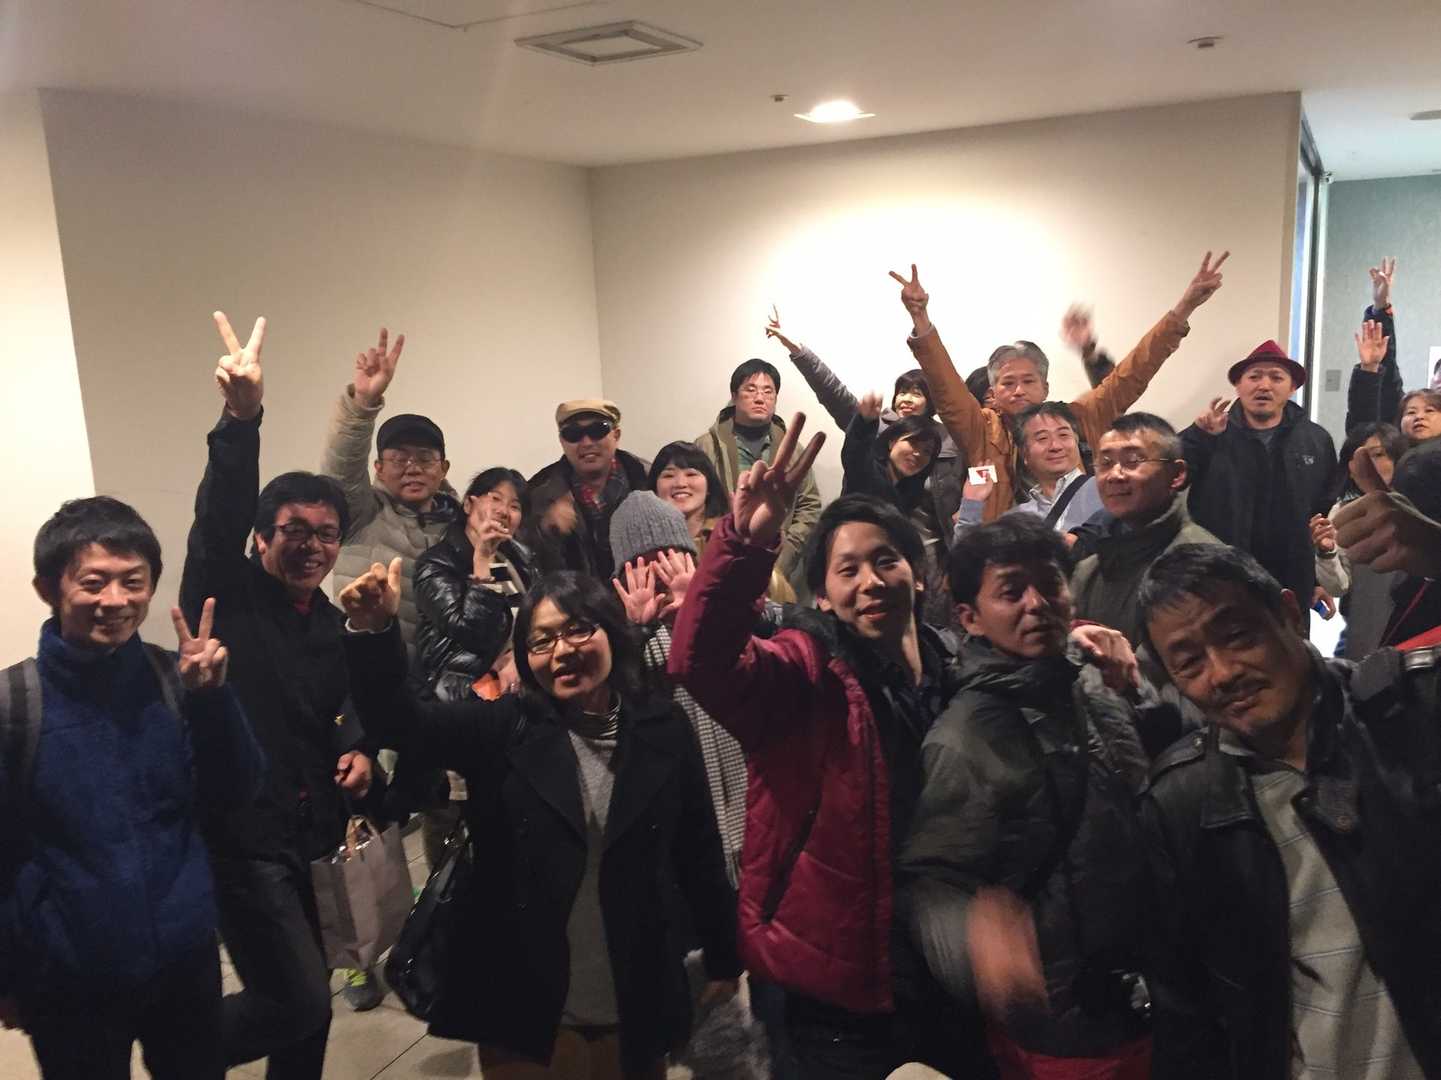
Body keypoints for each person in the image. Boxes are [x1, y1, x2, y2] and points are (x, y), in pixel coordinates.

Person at [339, 560, 742, 1080]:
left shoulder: (662, 726)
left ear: (611, 633)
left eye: (578, 629)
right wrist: (374, 634)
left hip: (631, 987)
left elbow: (698, 848)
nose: (562, 651)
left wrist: (724, 954)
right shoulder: (505, 728)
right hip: (524, 997)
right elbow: (403, 724)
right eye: (541, 641)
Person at [669, 405, 980, 1077]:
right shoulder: (804, 672)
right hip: (829, 984)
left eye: (885, 560)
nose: (870, 581)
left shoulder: (958, 671)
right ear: (822, 595)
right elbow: (700, 662)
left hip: (942, 967)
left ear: (917, 572)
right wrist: (744, 544)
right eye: (847, 569)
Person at [1137, 543, 1441, 1078]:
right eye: (1188, 662)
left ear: (1288, 613)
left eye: (1237, 636)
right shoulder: (1181, 802)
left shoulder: (1412, 711)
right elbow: (1188, 1014)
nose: (1222, 673)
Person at [0, 498, 262, 1080]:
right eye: (94, 582)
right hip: (68, 978)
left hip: (185, 961)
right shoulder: (14, 704)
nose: (116, 600)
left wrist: (213, 700)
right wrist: (8, 978)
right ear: (48, 589)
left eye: (133, 582)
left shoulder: (176, 679)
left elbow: (237, 792)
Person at [181, 311, 374, 1080]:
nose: (312, 545)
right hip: (244, 842)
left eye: (326, 533)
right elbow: (217, 517)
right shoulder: (226, 595)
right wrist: (241, 420)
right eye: (293, 530)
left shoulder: (326, 618)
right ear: (260, 538)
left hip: (313, 836)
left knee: (312, 1000)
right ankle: (178, 1049)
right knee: (298, 999)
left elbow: (338, 708)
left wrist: (356, 747)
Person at [902, 515, 1154, 1080]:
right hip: (1066, 1022)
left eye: (1049, 584)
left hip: (1149, 989)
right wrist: (974, 948)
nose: (1037, 604)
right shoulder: (964, 736)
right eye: (1011, 592)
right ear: (969, 617)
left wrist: (1137, 691)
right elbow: (931, 880)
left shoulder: (1092, 679)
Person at [319, 325, 460, 1010]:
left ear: (443, 465)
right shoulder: (354, 513)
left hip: (429, 696)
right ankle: (354, 960)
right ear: (378, 468)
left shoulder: (459, 523)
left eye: (423, 457)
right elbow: (338, 465)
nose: (410, 467)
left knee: (439, 811)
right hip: (359, 693)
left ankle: (437, 929)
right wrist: (362, 403)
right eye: (397, 457)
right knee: (360, 826)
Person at [892, 253, 1227, 521]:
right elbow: (946, 387)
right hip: (1004, 555)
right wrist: (920, 319)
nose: (1019, 390)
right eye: (1008, 383)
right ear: (993, 392)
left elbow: (1133, 373)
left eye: (1028, 381)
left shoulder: (1078, 419)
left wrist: (1184, 308)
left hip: (1081, 550)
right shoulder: (981, 429)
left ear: (1046, 387)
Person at [766, 309, 966, 566]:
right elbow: (833, 393)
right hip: (865, 549)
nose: (906, 399)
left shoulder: (948, 442)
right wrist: (798, 350)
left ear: (931, 401)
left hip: (931, 557)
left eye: (916, 393)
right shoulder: (876, 428)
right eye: (902, 392)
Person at [409, 467, 535, 869]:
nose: (504, 511)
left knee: (507, 823)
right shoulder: (436, 564)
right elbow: (470, 631)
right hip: (460, 708)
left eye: (514, 505)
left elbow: (535, 620)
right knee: (455, 834)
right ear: (468, 504)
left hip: (512, 708)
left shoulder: (518, 558)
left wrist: (521, 659)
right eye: (494, 498)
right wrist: (481, 560)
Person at [1181, 341, 1337, 622]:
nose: (1264, 385)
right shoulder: (1212, 433)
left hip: (1292, 582)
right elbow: (1169, 477)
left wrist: (1316, 578)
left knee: (1288, 647)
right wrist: (1198, 436)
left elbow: (1321, 513)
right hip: (1220, 580)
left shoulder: (1316, 440)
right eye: (1254, 377)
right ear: (1238, 386)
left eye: (1276, 377)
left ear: (1292, 387)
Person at [1070, 413, 1221, 645]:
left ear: (1177, 474)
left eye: (1132, 461)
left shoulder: (1206, 564)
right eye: (1106, 463)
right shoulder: (1088, 572)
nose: (1115, 475)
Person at [694, 360, 822, 591]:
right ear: (734, 396)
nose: (760, 398)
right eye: (750, 389)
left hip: (779, 574)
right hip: (719, 567)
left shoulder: (793, 450)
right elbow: (697, 507)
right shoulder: (707, 446)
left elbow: (809, 506)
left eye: (768, 391)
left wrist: (783, 558)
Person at [840, 394, 952, 626]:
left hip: (878, 588)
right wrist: (865, 422)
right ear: (892, 442)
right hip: (848, 578)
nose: (918, 454)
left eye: (927, 451)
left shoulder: (909, 493)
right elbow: (855, 454)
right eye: (912, 443)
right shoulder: (869, 473)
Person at [648, 440, 795, 603]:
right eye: (668, 475)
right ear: (654, 489)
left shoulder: (729, 537)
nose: (680, 483)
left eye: (691, 474)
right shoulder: (647, 546)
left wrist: (756, 544)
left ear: (709, 486)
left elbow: (779, 598)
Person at [1309, 422, 1408, 659]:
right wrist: (1326, 552)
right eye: (1360, 457)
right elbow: (1338, 586)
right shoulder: (1343, 512)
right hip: (1365, 629)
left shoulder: (1419, 504)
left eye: (1378, 454)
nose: (1370, 464)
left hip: (1414, 626)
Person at [528, 399, 650, 580]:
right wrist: (546, 530)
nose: (586, 442)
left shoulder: (649, 479)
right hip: (576, 596)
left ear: (616, 435)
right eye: (573, 434)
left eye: (597, 430)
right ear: (562, 441)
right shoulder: (537, 492)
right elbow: (528, 563)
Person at [954, 403, 1102, 538]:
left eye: (1063, 435)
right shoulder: (1016, 521)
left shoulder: (1106, 489)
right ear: (1024, 454)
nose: (1055, 446)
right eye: (1042, 438)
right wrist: (971, 505)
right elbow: (970, 557)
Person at [1343, 257, 1404, 432]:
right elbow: (1387, 382)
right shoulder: (1398, 433)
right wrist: (1380, 308)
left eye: (1430, 410)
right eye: (1413, 411)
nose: (1420, 416)